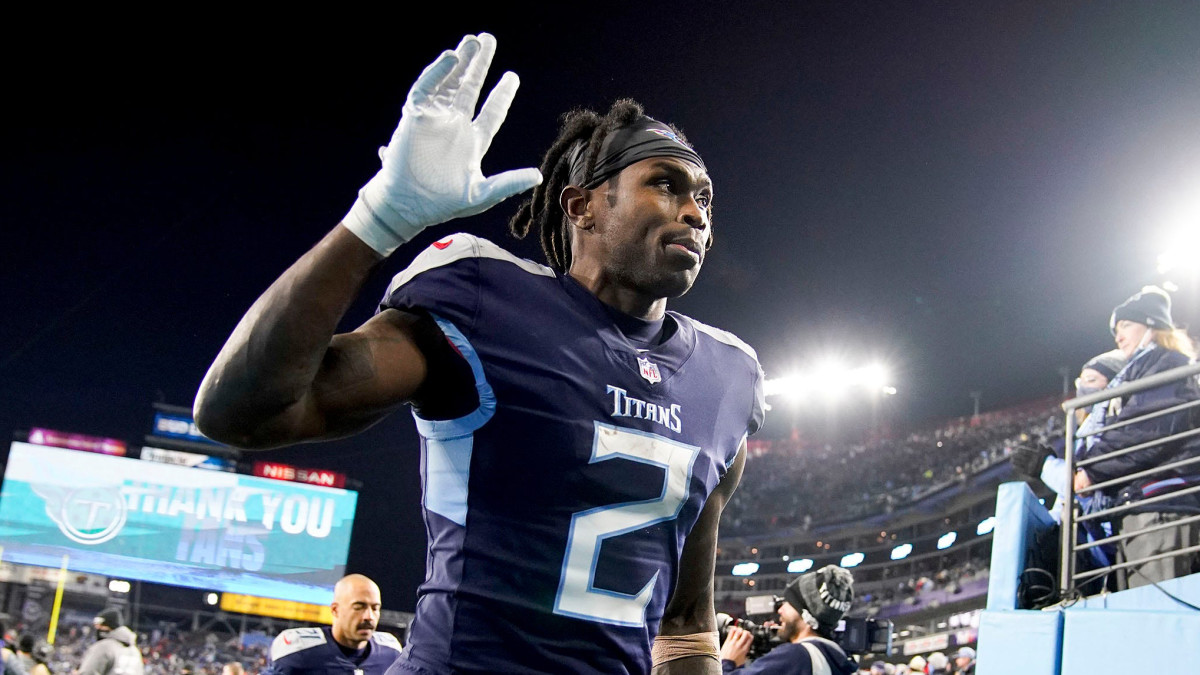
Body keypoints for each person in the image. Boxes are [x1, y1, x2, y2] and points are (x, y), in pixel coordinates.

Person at [193, 32, 764, 675]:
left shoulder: (727, 379)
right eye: (665, 185)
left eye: (705, 198)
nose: (694, 213)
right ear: (582, 208)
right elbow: (241, 413)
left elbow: (685, 627)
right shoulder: (487, 304)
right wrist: (377, 221)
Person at [1073, 286, 1200, 588]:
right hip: (1144, 504)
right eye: (1116, 330)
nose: (1118, 336)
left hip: (1162, 504)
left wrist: (1091, 469)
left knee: (1160, 620)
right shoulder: (1143, 368)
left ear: (1152, 325)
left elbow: (1143, 430)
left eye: (1126, 325)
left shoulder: (1166, 364)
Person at [718, 566, 856, 674]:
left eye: (789, 602)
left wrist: (726, 662)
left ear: (806, 614)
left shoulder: (797, 655)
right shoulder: (833, 657)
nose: (780, 610)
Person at [263, 574, 401, 675]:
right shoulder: (299, 650)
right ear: (335, 610)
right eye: (359, 607)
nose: (369, 617)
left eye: (375, 608)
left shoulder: (390, 651)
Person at [75, 608, 143, 675]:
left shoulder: (104, 646)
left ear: (109, 626)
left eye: (100, 626)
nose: (97, 628)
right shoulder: (135, 651)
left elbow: (88, 672)